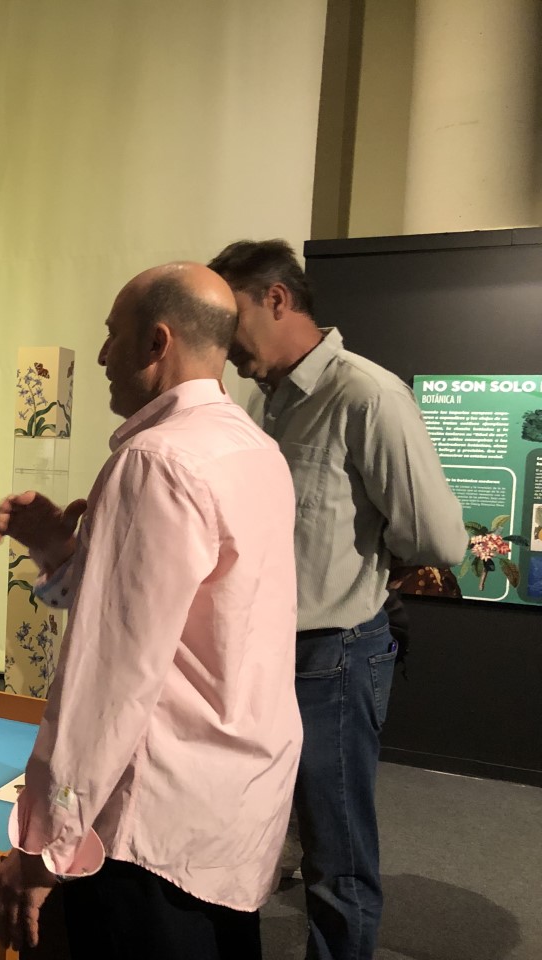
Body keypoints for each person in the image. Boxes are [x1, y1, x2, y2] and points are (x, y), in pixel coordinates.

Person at [0, 262, 303, 958]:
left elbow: (109, 679)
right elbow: (191, 620)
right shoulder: (256, 450)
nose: (102, 355)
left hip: (153, 826)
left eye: (112, 335)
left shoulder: (156, 461)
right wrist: (61, 549)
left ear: (156, 342)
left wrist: (43, 849)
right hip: (235, 803)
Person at [206, 240, 466, 960]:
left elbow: (439, 536)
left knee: (337, 856)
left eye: (230, 318)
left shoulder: (367, 395)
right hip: (267, 656)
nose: (221, 343)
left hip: (334, 659)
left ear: (277, 299)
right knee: (257, 836)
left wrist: (373, 563)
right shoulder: (267, 401)